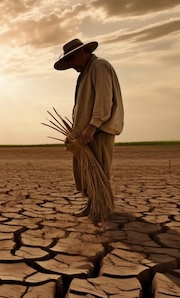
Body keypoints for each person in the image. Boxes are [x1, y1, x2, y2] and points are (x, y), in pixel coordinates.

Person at [54, 38, 124, 217]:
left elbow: (104, 100)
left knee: (99, 170)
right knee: (89, 172)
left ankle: (102, 208)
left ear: (83, 52)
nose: (71, 65)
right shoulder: (86, 72)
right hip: (86, 133)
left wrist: (92, 127)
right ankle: (94, 205)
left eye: (72, 60)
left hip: (97, 132)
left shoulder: (99, 66)